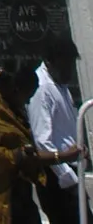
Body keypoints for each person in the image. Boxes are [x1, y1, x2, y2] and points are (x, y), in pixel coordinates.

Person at [0, 60, 56, 224]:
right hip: (0, 196)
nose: (27, 103)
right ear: (16, 89)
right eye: (27, 97)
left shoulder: (12, 109)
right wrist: (14, 156)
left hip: (20, 193)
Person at [28, 46, 83, 224]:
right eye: (65, 67)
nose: (70, 72)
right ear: (49, 63)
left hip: (71, 168)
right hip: (57, 174)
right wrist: (67, 177)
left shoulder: (60, 84)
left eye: (72, 66)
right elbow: (42, 141)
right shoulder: (42, 89)